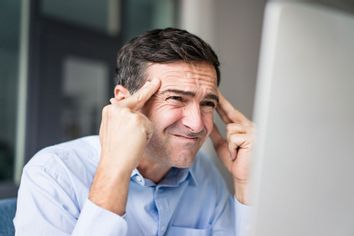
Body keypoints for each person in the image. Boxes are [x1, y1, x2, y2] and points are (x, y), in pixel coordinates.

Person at [14, 28, 254, 235]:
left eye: (207, 104)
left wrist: (247, 183)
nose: (197, 124)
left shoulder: (204, 173)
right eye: (176, 98)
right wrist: (114, 170)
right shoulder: (52, 173)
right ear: (125, 101)